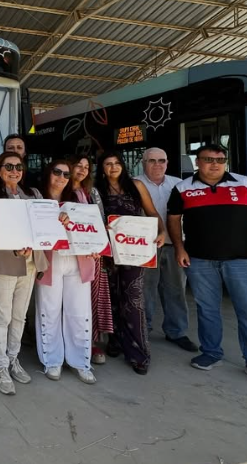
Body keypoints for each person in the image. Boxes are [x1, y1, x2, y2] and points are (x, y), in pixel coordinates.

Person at [168, 144, 247, 391]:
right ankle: (211, 353)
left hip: (242, 260)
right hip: (200, 260)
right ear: (197, 162)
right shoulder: (182, 188)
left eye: (220, 159)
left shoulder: (245, 183)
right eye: (208, 159)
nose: (215, 164)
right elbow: (174, 220)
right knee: (207, 309)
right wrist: (179, 248)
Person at [94, 152, 165, 375]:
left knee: (133, 300)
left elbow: (152, 213)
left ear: (123, 166)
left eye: (116, 163)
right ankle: (115, 341)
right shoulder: (96, 189)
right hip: (107, 252)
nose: (113, 167)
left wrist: (162, 232)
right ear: (102, 168)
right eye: (108, 164)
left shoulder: (136, 185)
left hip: (134, 251)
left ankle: (138, 353)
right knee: (111, 297)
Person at [0, 152, 40, 395]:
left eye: (18, 166)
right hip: (4, 263)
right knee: (1, 317)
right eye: (9, 166)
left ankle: (13, 358)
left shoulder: (34, 195)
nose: (14, 171)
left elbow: (40, 225)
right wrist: (17, 245)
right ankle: (0, 366)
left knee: (19, 317)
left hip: (29, 263)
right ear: (0, 170)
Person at [34, 160, 98, 384]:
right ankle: (52, 360)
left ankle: (81, 361)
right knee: (49, 311)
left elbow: (90, 228)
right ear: (48, 173)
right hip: (49, 261)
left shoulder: (78, 197)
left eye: (66, 174)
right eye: (57, 172)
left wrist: (96, 246)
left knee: (79, 312)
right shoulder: (36, 198)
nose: (61, 177)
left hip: (77, 260)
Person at [135, 147, 197, 352]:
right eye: (152, 161)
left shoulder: (179, 184)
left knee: (176, 290)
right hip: (146, 248)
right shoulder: (135, 184)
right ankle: (143, 331)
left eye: (161, 160)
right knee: (145, 291)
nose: (157, 165)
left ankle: (176, 331)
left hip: (174, 246)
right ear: (143, 163)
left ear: (167, 162)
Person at [69, 154, 113, 365]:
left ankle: (91, 341)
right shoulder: (61, 189)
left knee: (90, 299)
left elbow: (100, 221)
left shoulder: (92, 192)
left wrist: (100, 244)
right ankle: (67, 343)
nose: (82, 169)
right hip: (66, 255)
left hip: (91, 254)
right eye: (78, 164)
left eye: (86, 167)